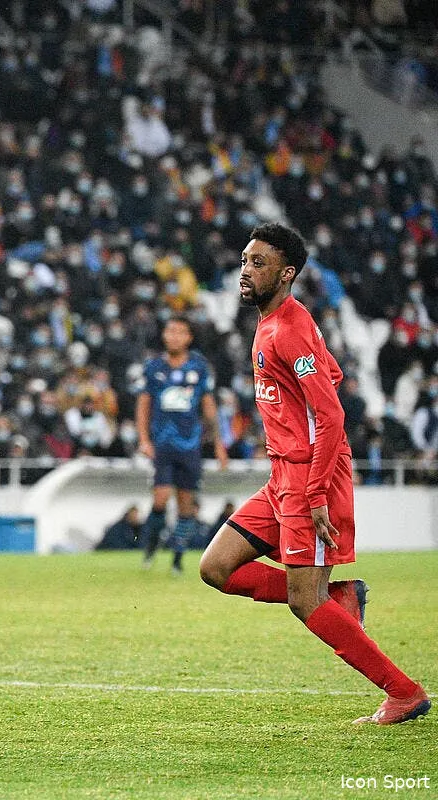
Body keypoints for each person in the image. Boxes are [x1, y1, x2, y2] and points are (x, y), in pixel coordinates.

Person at [199, 223, 429, 726]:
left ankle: (404, 692)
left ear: (287, 274)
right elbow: (331, 376)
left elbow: (331, 415)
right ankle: (338, 598)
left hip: (309, 479)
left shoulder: (287, 328)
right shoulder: (275, 321)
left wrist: (317, 490)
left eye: (257, 263)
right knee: (216, 567)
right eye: (244, 259)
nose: (244, 270)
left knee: (306, 604)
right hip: (282, 473)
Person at [136, 315, 229, 574]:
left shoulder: (199, 368)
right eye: (170, 331)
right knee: (160, 498)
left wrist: (219, 443)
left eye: (180, 332)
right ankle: (151, 545)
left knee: (186, 505)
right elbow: (143, 405)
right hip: (162, 445)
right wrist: (144, 439)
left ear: (188, 338)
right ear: (164, 335)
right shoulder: (154, 367)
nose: (174, 336)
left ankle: (177, 557)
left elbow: (208, 407)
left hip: (190, 446)